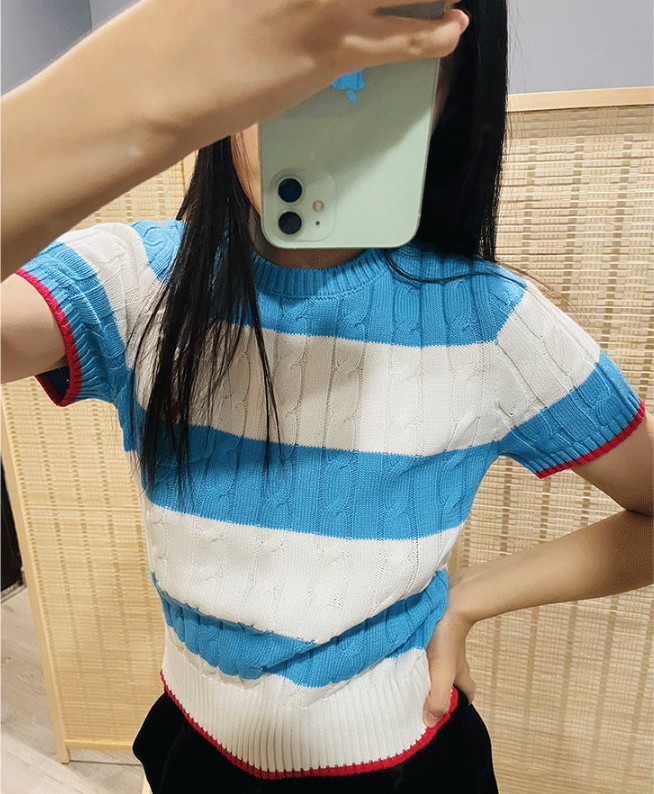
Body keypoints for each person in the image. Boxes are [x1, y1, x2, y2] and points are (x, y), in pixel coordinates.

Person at [2, 0, 652, 792]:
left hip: (406, 762)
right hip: (196, 744)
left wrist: (470, 600)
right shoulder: (134, 283)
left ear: (451, 88)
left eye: (385, 49)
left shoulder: (492, 321)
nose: (329, 85)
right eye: (291, 49)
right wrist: (145, 98)